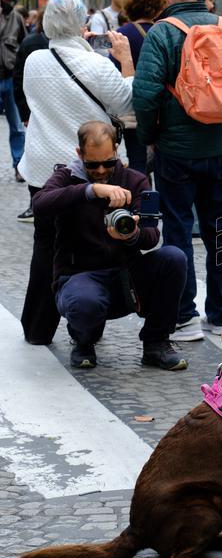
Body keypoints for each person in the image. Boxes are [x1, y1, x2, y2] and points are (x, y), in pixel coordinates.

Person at [132, 0, 222, 342]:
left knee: (179, 231)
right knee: (220, 231)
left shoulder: (163, 33)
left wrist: (150, 137)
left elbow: (146, 93)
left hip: (175, 151)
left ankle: (184, 314)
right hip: (217, 149)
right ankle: (219, 314)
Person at [18, 0, 134, 346]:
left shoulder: (35, 60)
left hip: (43, 167)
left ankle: (37, 327)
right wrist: (125, 60)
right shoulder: (97, 65)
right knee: (89, 242)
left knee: (46, 242)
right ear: (83, 23)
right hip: (90, 166)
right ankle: (87, 322)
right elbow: (129, 102)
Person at [32, 121, 188, 371]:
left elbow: (151, 236)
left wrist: (132, 234)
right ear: (79, 154)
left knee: (174, 258)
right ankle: (84, 340)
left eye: (108, 162)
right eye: (92, 165)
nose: (102, 170)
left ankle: (156, 343)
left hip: (127, 276)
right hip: (80, 276)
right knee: (85, 302)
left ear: (116, 151)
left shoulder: (135, 181)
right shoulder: (66, 178)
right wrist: (90, 190)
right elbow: (40, 204)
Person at [117, 0, 164, 173]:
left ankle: (140, 199)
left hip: (132, 106)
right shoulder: (164, 31)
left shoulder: (121, 34)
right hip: (161, 106)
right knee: (162, 159)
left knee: (137, 160)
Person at [13, 8, 49, 222]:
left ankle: (35, 204)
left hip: (36, 110)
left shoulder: (30, 43)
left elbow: (19, 81)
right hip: (41, 110)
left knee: (36, 154)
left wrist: (25, 113)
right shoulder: (31, 43)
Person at [0, 0, 27, 182]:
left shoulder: (14, 17)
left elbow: (25, 44)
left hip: (10, 77)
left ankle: (19, 166)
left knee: (17, 126)